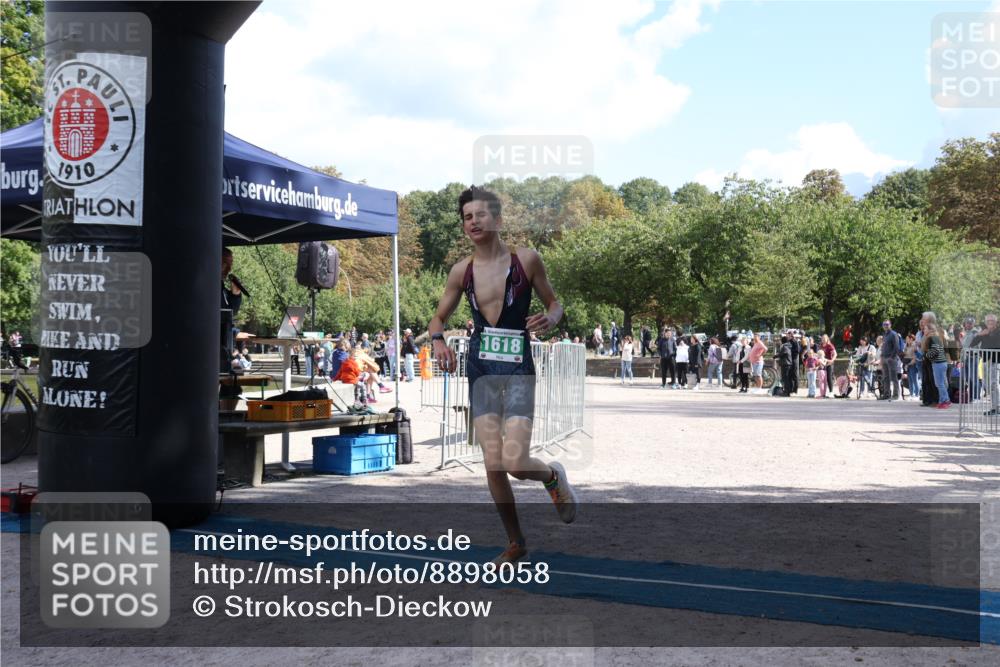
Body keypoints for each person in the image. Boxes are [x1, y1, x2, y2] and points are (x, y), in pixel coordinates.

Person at [428, 186, 577, 564]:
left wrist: (551, 318)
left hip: (518, 369)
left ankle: (552, 477)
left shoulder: (526, 260)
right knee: (493, 462)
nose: (473, 222)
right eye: (467, 217)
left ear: (497, 219)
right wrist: (438, 341)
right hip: (481, 369)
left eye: (480, 214)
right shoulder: (461, 271)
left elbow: (555, 303)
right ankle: (516, 543)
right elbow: (438, 318)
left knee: (515, 462)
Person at [970, 313, 999, 416]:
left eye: (992, 321)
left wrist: (989, 334)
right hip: (986, 361)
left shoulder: (998, 332)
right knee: (987, 385)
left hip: (996, 361)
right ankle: (994, 407)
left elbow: (995, 342)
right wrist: (979, 335)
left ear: (996, 322)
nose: (990, 323)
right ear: (986, 323)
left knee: (994, 383)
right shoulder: (983, 332)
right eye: (988, 321)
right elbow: (972, 344)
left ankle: (997, 408)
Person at [220, 248, 243, 373]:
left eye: (230, 264)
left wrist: (235, 294)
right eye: (226, 263)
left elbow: (231, 312)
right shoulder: (210, 284)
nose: (229, 268)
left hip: (223, 343)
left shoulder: (222, 288)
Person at [922, 315, 951, 409]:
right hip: (941, 363)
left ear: (930, 330)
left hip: (938, 363)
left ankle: (946, 400)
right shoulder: (936, 337)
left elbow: (936, 350)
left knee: (940, 383)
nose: (924, 330)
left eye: (925, 329)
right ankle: (942, 400)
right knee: (940, 383)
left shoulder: (932, 338)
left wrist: (927, 355)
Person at [878, 320, 902, 401]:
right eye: (884, 324)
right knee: (885, 377)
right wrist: (882, 356)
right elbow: (884, 346)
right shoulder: (885, 334)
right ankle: (886, 394)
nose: (885, 326)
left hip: (891, 358)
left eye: (887, 324)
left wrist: (891, 357)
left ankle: (896, 395)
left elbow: (896, 347)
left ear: (890, 325)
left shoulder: (893, 334)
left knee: (894, 377)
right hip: (884, 358)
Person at [903, 333, 920, 400]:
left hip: (913, 364)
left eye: (907, 339)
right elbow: (905, 355)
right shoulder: (906, 346)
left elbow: (915, 357)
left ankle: (917, 394)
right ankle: (911, 394)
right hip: (908, 364)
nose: (906, 340)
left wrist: (909, 364)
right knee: (910, 380)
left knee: (915, 380)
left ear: (911, 339)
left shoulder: (914, 346)